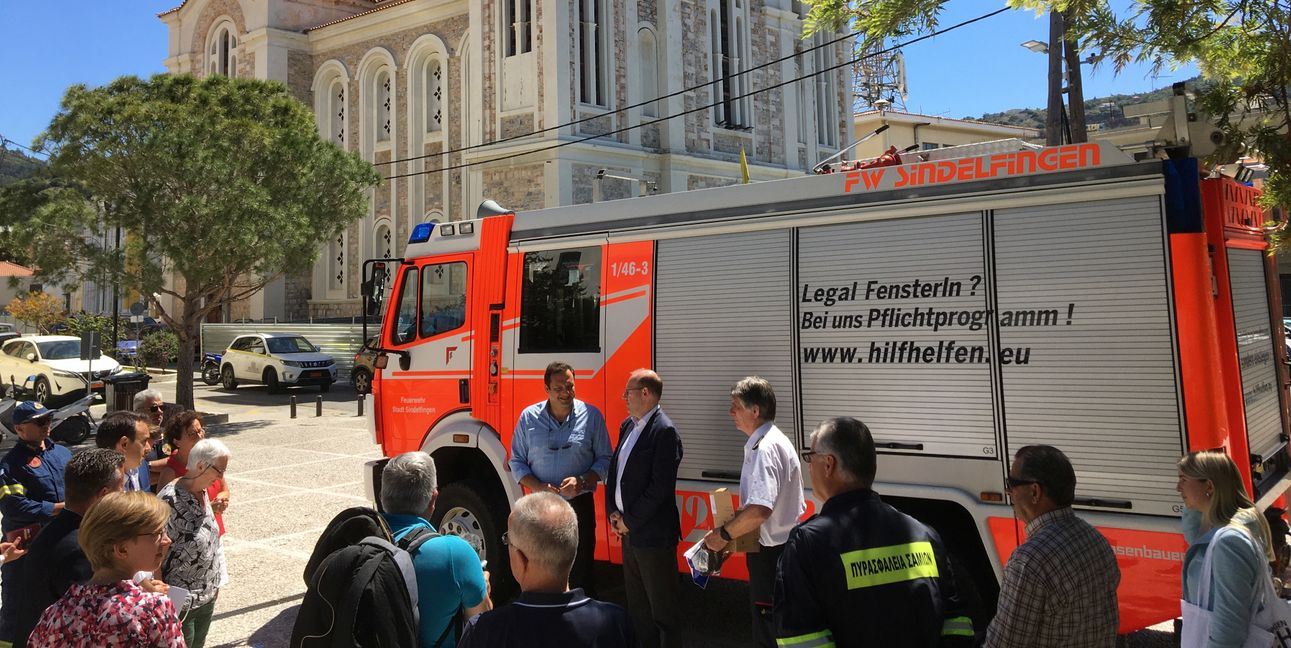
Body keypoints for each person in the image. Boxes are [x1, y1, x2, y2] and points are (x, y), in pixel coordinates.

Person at [774, 417, 976, 647]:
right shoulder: (925, 535)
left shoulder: (806, 545)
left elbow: (801, 640)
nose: (808, 466)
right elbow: (957, 627)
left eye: (810, 458)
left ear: (828, 465)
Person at [701, 376, 804, 647]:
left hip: (771, 559)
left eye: (736, 406)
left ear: (755, 410)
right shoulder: (774, 441)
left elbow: (760, 511)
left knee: (767, 630)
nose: (730, 412)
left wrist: (724, 534)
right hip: (781, 552)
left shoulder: (764, 448)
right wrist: (738, 523)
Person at [983, 445, 1120, 647]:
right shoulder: (1096, 541)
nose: (1008, 492)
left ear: (1034, 491)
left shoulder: (1028, 562)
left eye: (1011, 483)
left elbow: (1004, 644)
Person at [458, 492, 635, 648]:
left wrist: (481, 612)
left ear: (522, 559)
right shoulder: (616, 622)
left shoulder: (484, 631)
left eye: (508, 541)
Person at [26, 490, 184, 648]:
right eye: (157, 534)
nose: (167, 540)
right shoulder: (153, 609)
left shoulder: (54, 613)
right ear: (122, 549)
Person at [509, 361, 612, 593]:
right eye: (559, 388)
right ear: (546, 390)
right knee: (540, 570)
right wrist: (538, 486)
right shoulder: (528, 418)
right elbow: (516, 461)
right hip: (540, 509)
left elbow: (606, 459)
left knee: (580, 570)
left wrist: (583, 481)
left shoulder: (592, 416)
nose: (566, 393)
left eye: (570, 387)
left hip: (579, 507)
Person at [11, 449, 126, 648]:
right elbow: (91, 621)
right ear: (104, 495)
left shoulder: (57, 530)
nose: (125, 495)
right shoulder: (81, 550)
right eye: (122, 488)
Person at [379, 452, 492, 648]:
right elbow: (483, 630)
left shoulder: (356, 541)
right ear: (433, 498)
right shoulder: (455, 553)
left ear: (382, 498)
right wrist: (485, 591)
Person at [605, 369, 683, 648]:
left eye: (629, 392)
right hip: (630, 533)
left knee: (663, 611)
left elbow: (659, 489)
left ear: (646, 393)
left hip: (653, 538)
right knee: (638, 610)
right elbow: (616, 472)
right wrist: (614, 512)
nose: (624, 397)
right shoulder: (629, 424)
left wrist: (631, 520)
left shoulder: (664, 431)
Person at [1177, 450, 1277, 648]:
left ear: (1209, 486)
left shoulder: (1228, 542)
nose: (1177, 487)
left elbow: (1229, 628)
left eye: (1183, 479)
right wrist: (1195, 502)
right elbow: (1196, 537)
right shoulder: (1232, 525)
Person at [0, 402, 72, 644]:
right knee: (18, 610)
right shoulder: (11, 465)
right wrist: (56, 509)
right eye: (40, 422)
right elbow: (13, 506)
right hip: (24, 550)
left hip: (63, 544)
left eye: (48, 419)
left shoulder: (63, 453)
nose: (47, 425)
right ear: (20, 429)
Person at [158, 438, 230, 648]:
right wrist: (162, 598)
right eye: (219, 470)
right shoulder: (169, 500)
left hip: (206, 594)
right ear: (200, 466)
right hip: (180, 599)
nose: (221, 477)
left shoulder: (203, 490)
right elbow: (156, 552)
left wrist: (215, 582)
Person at [157, 411, 229, 532]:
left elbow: (224, 489)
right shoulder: (171, 472)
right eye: (192, 434)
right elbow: (163, 515)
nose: (200, 436)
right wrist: (210, 508)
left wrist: (221, 499)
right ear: (176, 442)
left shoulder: (210, 461)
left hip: (214, 532)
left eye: (200, 431)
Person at [95, 411, 152, 492]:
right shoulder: (95, 484)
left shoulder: (142, 468)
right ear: (124, 444)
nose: (148, 448)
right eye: (144, 441)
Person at [134, 388, 169, 486]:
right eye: (154, 408)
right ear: (138, 411)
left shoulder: (167, 435)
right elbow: (136, 477)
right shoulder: (133, 438)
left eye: (162, 407)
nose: (159, 412)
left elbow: (173, 462)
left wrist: (146, 467)